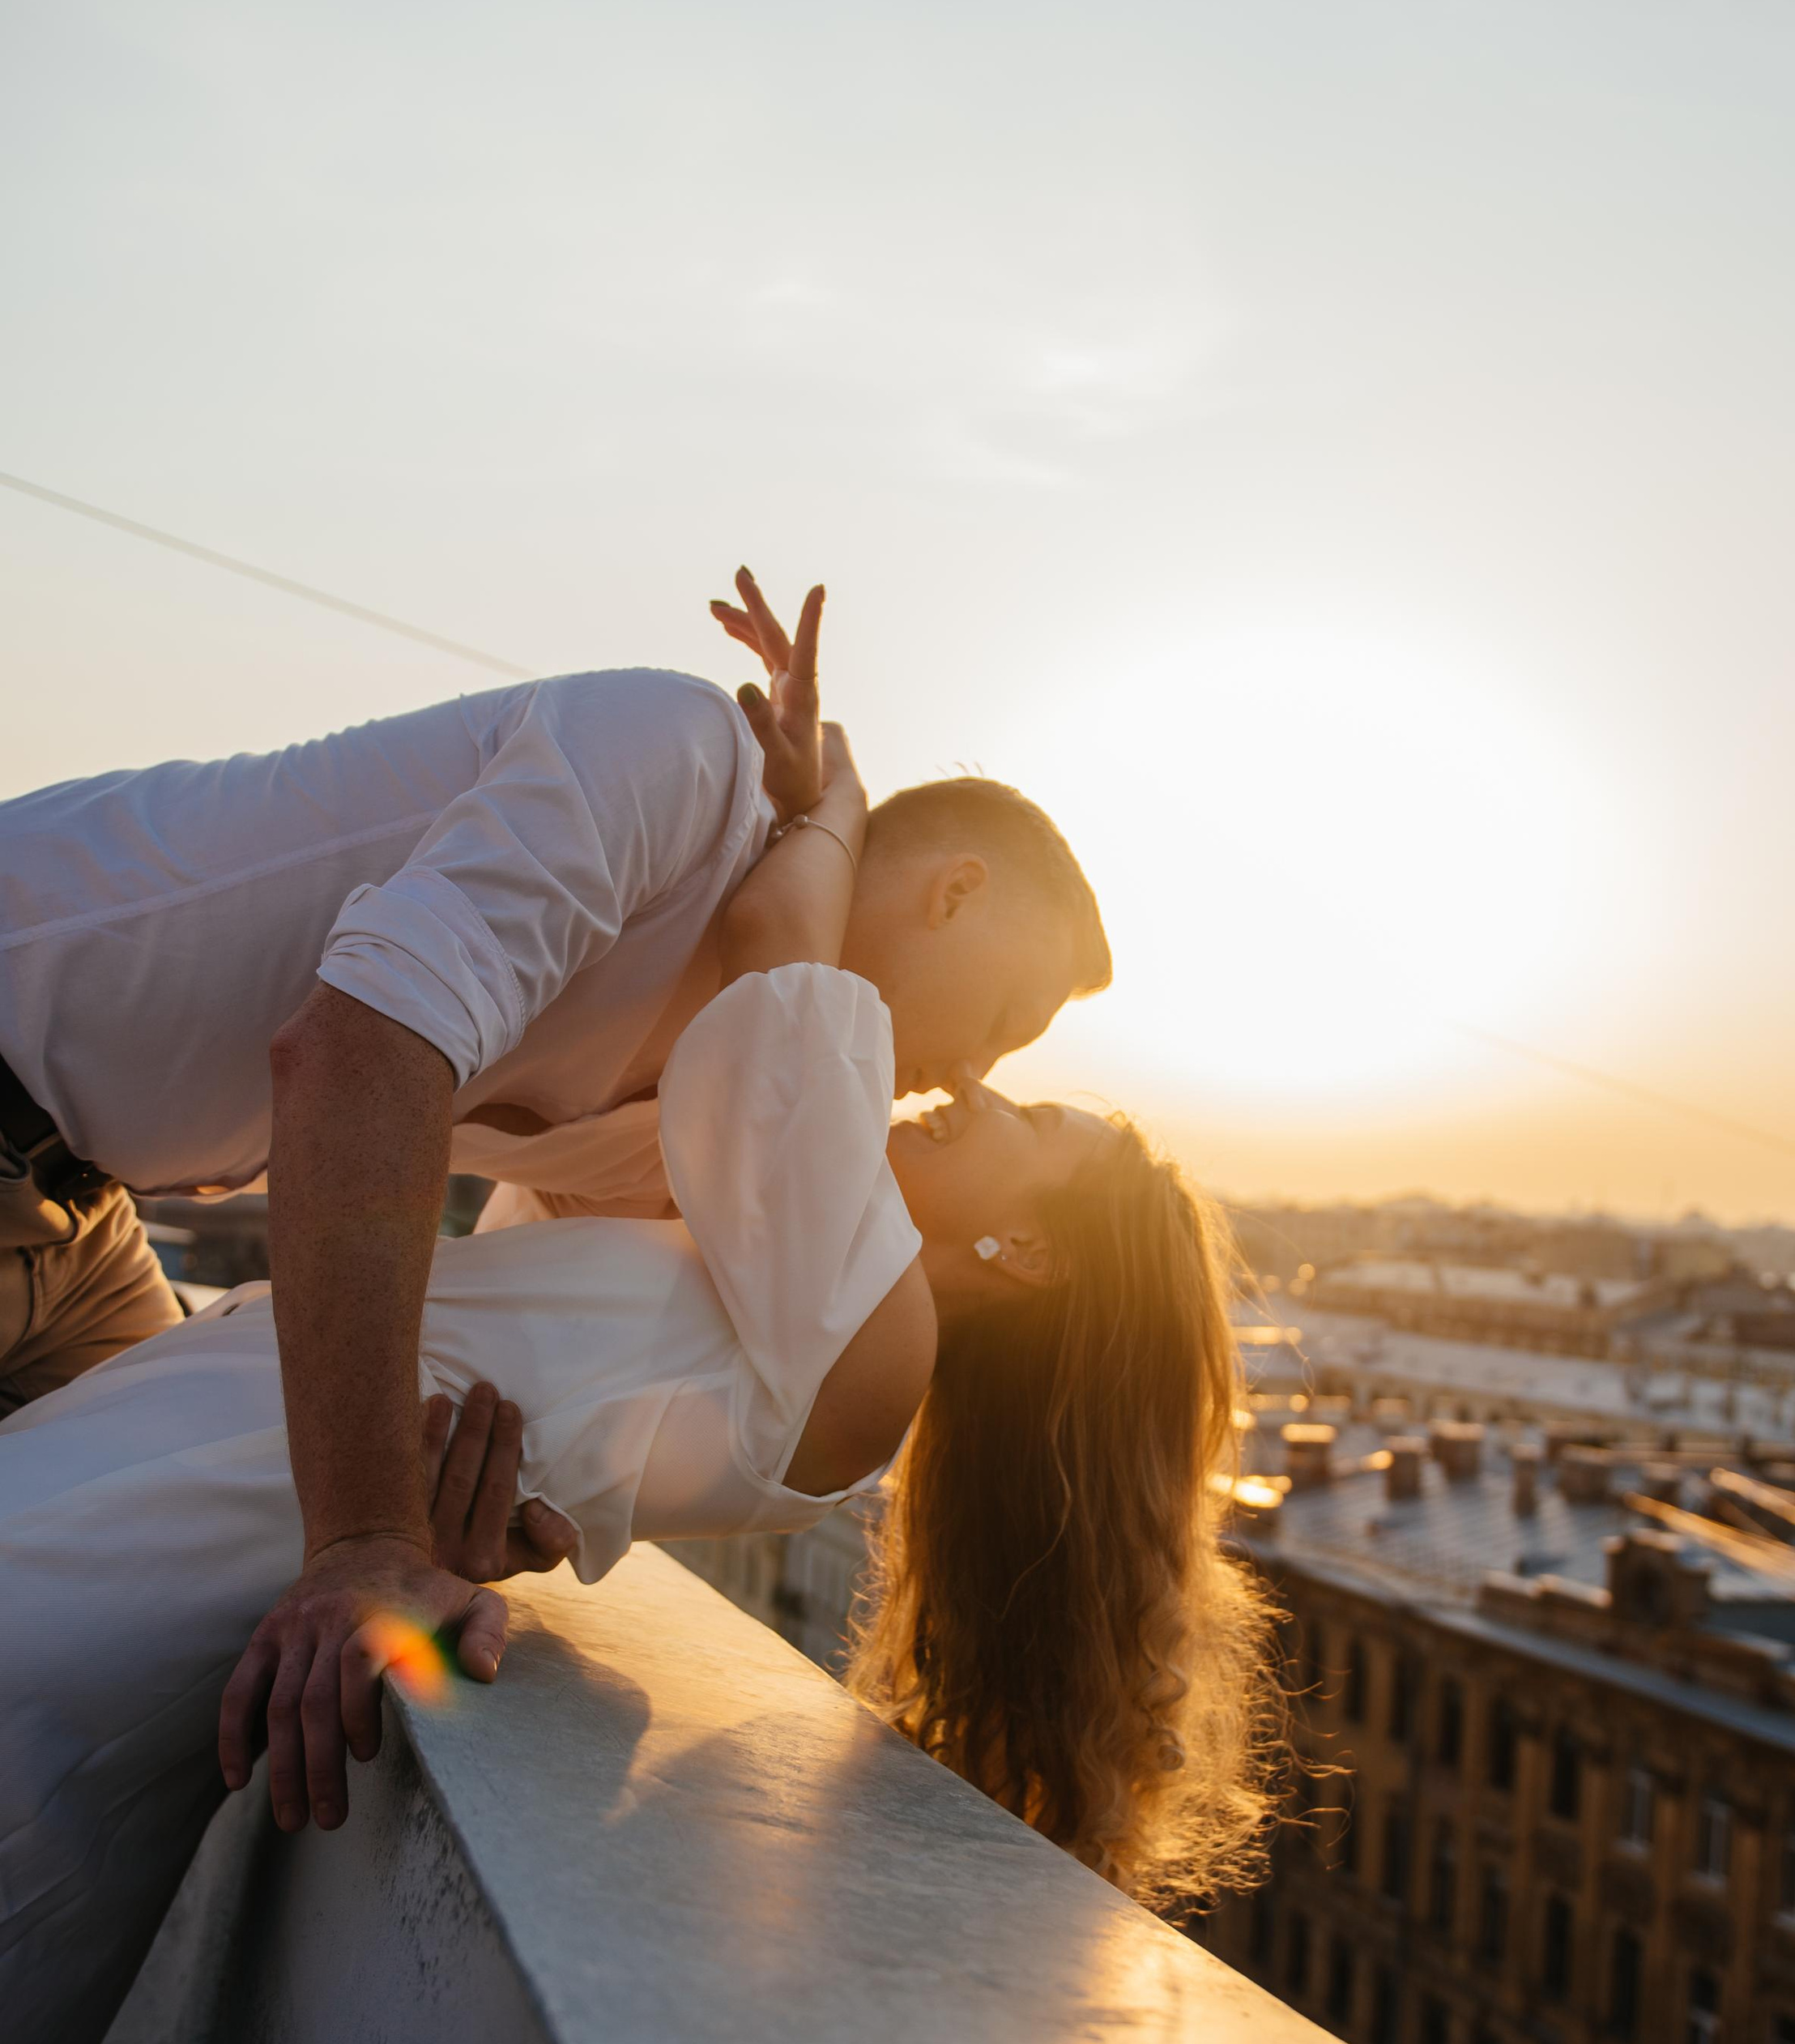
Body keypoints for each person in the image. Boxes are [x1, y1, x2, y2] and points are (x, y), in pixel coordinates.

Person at [0, 730, 1281, 2044]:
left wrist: (834, 811)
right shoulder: (776, 1247)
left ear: (1025, 1253)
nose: (973, 1087)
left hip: (208, 1508)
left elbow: (766, 968)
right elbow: (553, 1240)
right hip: (225, 1476)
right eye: (1007, 1048)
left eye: (1023, 1110)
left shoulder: (873, 1347)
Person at [0, 574, 1110, 1846]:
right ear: (956, 891)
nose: (973, 1073)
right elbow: (358, 1051)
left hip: (80, 1227)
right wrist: (364, 1532)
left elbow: (504, 1333)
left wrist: (462, 1505)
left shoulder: (709, 1093)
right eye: (1008, 1022)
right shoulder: (679, 765)